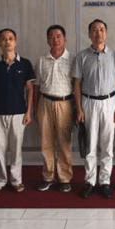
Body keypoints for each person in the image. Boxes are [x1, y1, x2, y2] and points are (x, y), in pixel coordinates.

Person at [74, 19, 115, 199]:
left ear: (106, 33)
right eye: (94, 30)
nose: (98, 33)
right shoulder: (82, 56)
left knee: (107, 145)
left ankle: (105, 181)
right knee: (90, 145)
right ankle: (89, 181)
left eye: (102, 29)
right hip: (89, 103)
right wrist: (79, 108)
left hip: (109, 103)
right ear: (89, 34)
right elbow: (77, 84)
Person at [0, 28, 35, 194]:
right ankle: (0, 180)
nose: (7, 41)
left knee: (16, 150)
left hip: (18, 113)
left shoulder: (25, 63)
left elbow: (30, 89)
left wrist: (29, 112)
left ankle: (16, 180)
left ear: (15, 41)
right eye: (3, 39)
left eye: (10, 38)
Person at [35, 25, 74, 192]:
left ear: (65, 39)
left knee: (64, 143)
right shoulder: (41, 60)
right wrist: (35, 107)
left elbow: (77, 85)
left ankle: (64, 178)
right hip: (44, 103)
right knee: (46, 143)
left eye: (59, 36)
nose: (55, 39)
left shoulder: (73, 59)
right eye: (51, 36)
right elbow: (37, 86)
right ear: (47, 40)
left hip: (65, 104)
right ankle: (48, 176)